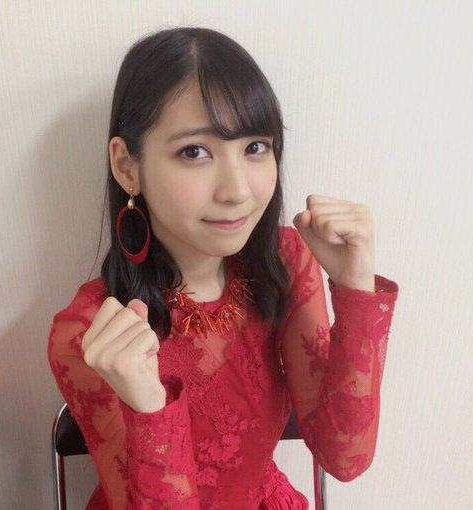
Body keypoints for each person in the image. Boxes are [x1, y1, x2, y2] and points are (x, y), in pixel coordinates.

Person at [47, 26, 399, 510]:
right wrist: (148, 408)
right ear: (128, 167)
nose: (237, 190)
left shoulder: (283, 261)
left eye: (255, 147)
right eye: (195, 151)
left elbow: (345, 457)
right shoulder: (90, 335)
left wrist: (354, 288)